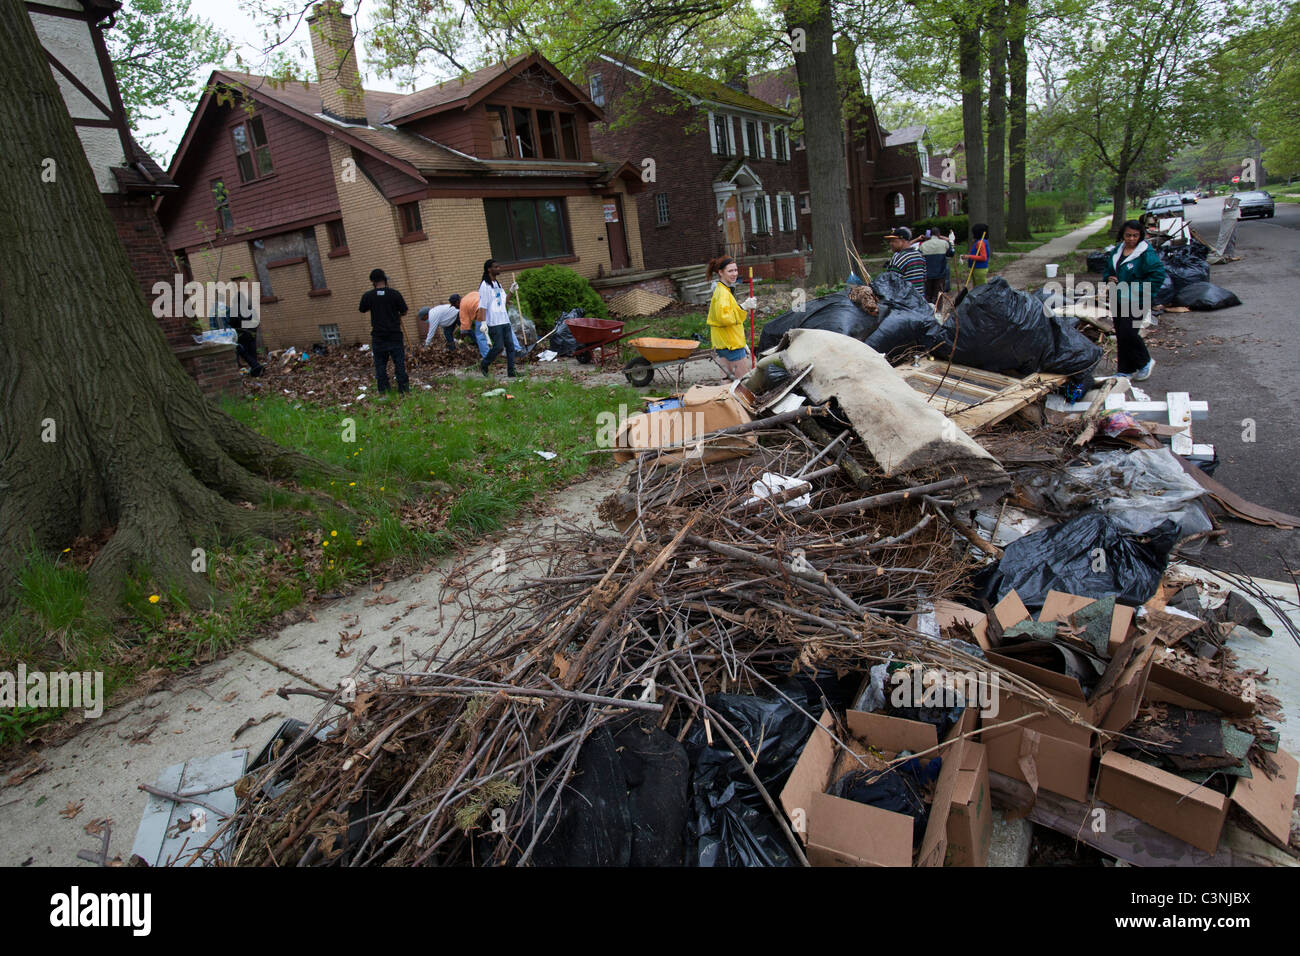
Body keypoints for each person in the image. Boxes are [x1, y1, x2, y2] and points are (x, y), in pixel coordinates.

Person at [1101, 219, 1164, 381]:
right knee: (1121, 334)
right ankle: (1125, 369)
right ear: (1122, 235)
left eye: (1135, 236)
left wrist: (1137, 289)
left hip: (1137, 298)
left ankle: (1145, 361)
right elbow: (1108, 271)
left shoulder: (1146, 253)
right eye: (1128, 235)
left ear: (1140, 236)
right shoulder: (1117, 251)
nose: (1131, 239)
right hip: (1118, 297)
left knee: (1129, 333)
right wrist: (1109, 278)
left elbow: (1158, 275)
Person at [358, 267, 409, 394]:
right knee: (399, 363)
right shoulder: (394, 294)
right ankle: (403, 389)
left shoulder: (368, 296)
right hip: (394, 334)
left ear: (373, 282)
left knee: (380, 365)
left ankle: (384, 390)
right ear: (385, 279)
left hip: (378, 335)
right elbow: (404, 310)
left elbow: (362, 309)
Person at [705, 256, 756, 380]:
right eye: (730, 271)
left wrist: (742, 343)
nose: (734, 274)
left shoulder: (723, 290)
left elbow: (726, 315)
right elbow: (724, 318)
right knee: (743, 383)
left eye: (736, 270)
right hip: (731, 345)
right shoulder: (722, 293)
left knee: (727, 383)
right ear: (720, 272)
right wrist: (743, 307)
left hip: (725, 343)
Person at [477, 259, 516, 377]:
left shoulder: (498, 284)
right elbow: (482, 305)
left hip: (504, 320)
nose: (499, 268)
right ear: (489, 269)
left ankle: (511, 372)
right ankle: (484, 363)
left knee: (510, 347)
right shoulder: (485, 285)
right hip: (494, 322)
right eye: (496, 267)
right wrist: (483, 322)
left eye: (499, 266)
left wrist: (511, 291)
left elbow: (504, 301)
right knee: (498, 347)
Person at [884, 227, 926, 294]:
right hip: (919, 300)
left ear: (903, 241)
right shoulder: (919, 255)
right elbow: (924, 278)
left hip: (904, 301)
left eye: (894, 241)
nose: (891, 244)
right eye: (890, 241)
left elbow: (892, 282)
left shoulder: (899, 257)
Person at [919, 229, 956, 302]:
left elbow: (919, 257)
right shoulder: (944, 243)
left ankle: (928, 310)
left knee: (927, 295)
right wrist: (951, 243)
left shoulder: (923, 245)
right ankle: (938, 311)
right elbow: (951, 253)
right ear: (939, 234)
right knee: (938, 296)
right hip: (940, 274)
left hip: (927, 275)